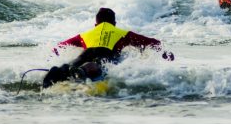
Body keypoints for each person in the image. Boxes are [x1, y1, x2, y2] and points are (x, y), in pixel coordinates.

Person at [43, 7, 174, 88]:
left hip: (87, 52)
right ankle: (83, 71)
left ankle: (61, 70)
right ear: (114, 23)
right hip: (106, 53)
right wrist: (164, 52)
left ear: (96, 24)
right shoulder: (123, 34)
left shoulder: (85, 35)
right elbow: (151, 42)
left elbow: (59, 47)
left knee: (74, 64)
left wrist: (50, 58)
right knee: (99, 66)